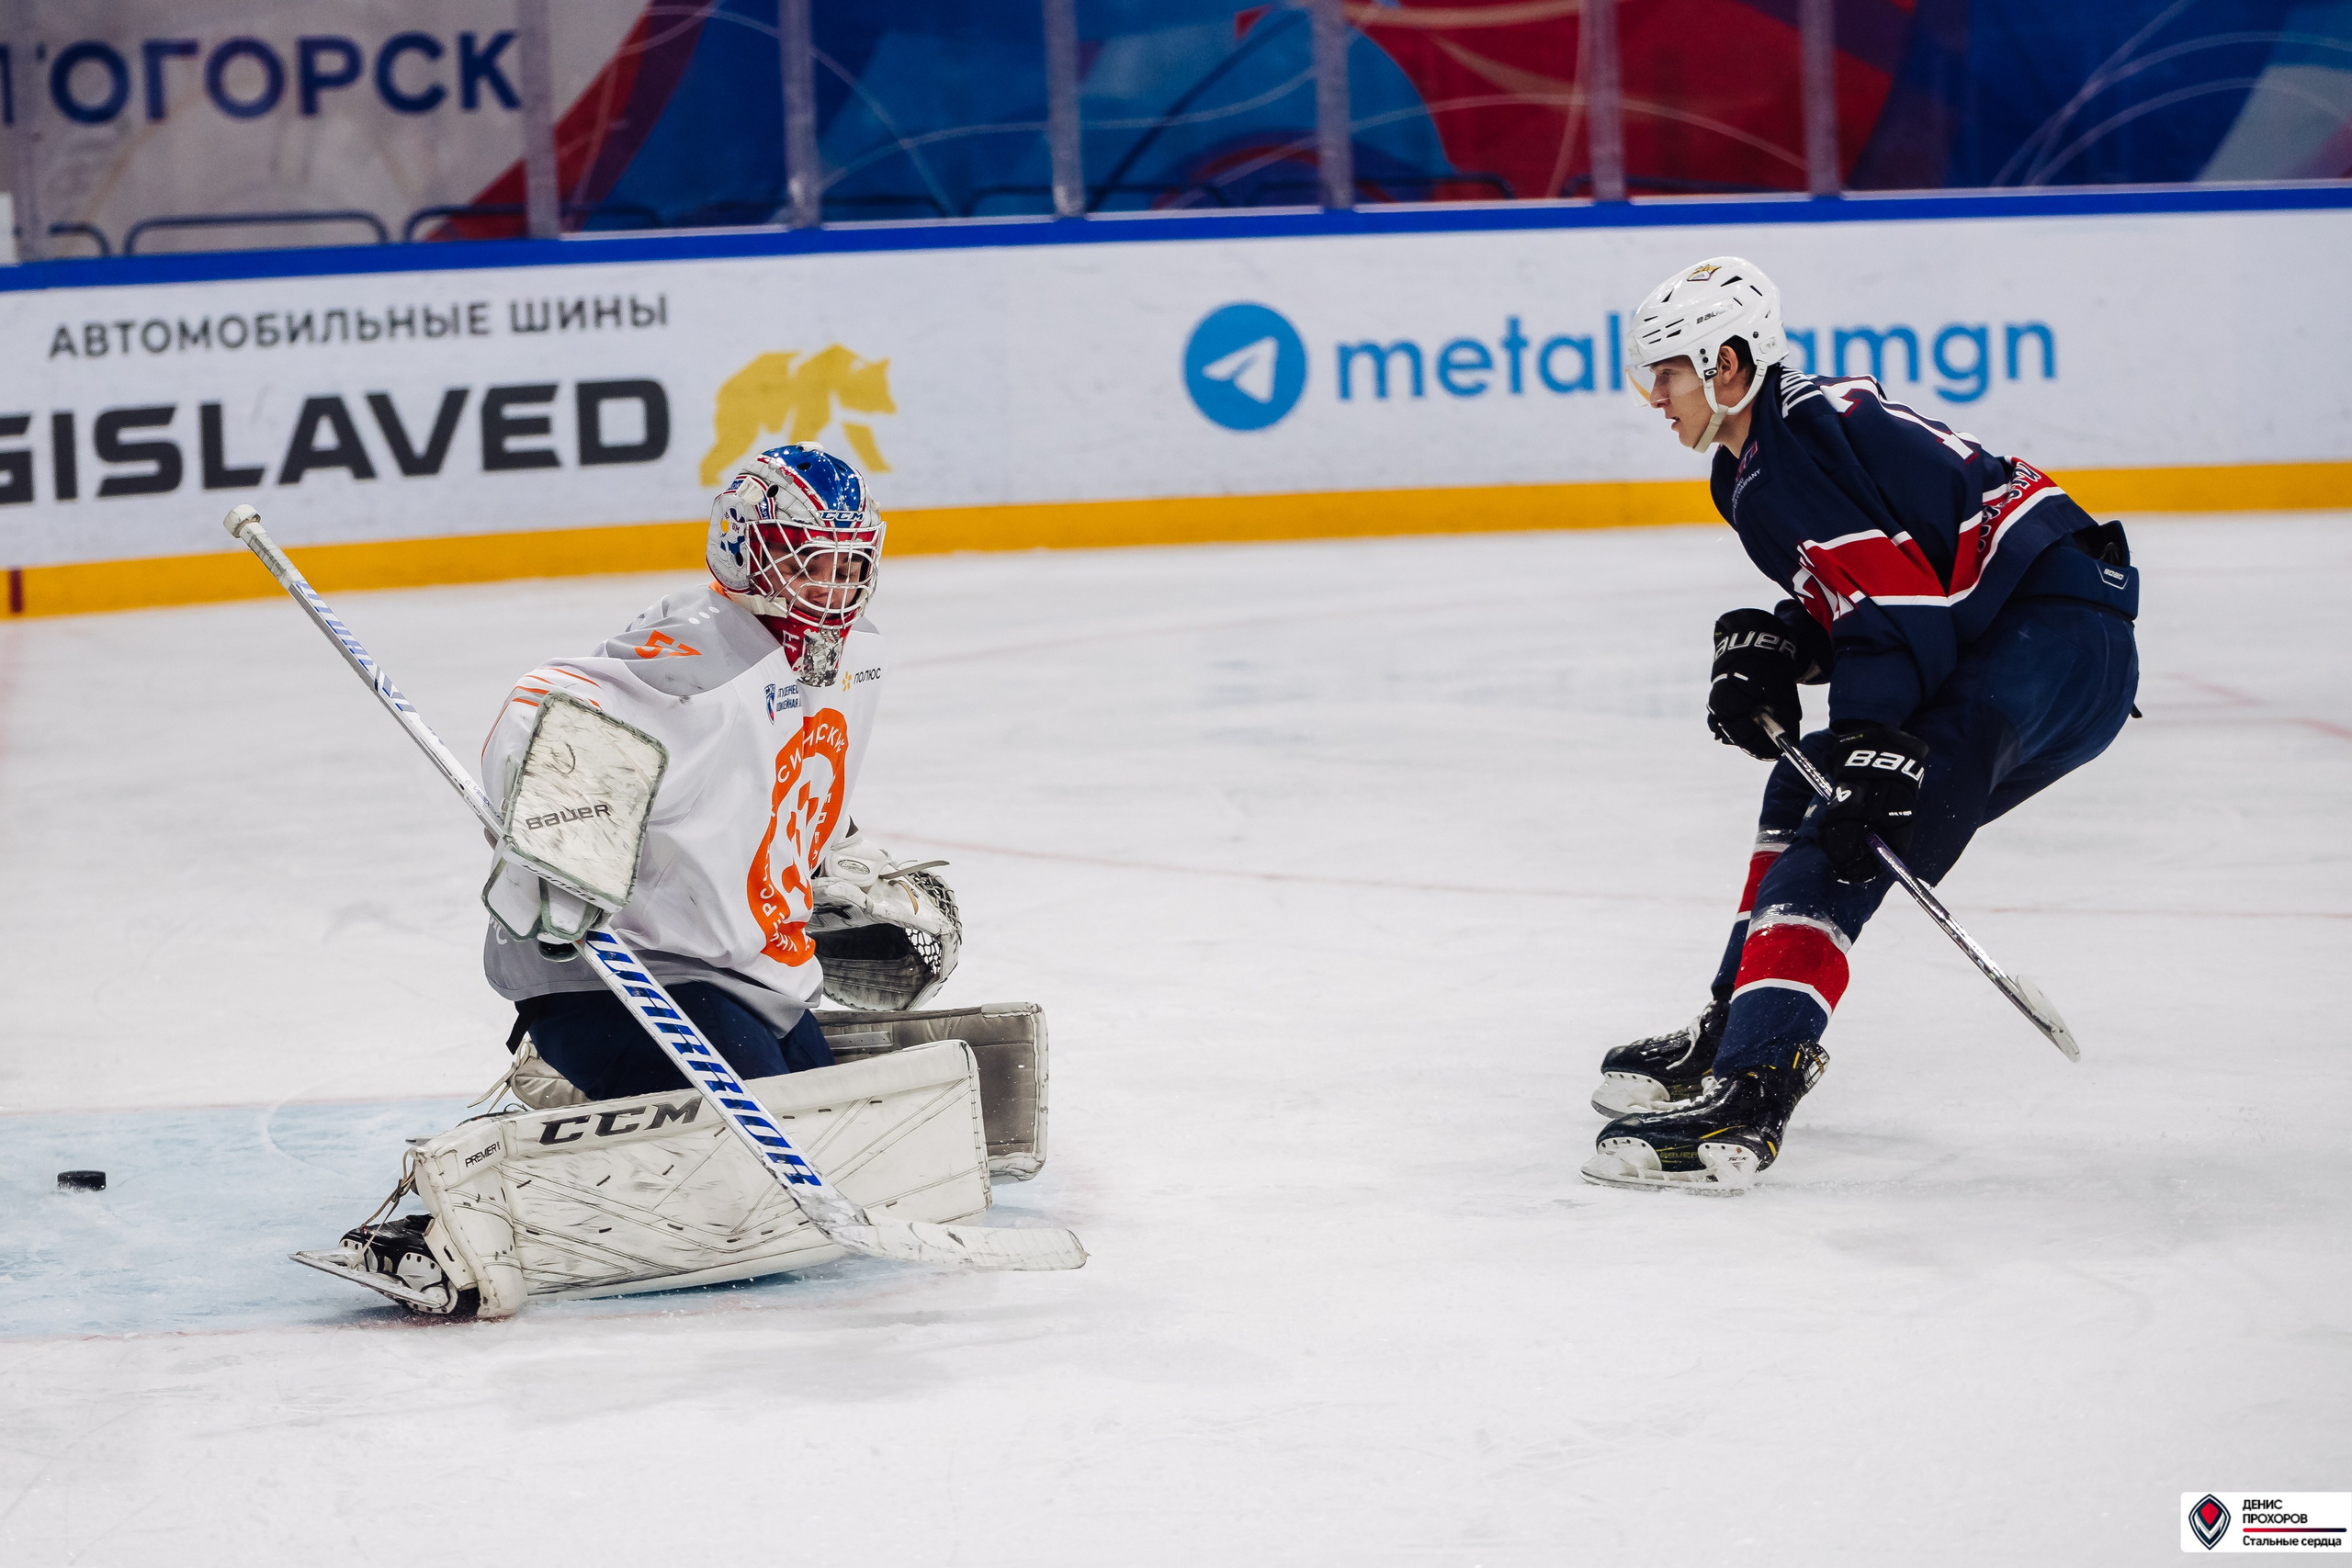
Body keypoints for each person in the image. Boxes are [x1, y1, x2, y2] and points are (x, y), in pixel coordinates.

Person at [1582, 257, 2140, 1193]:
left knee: (1848, 825)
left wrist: (1874, 747)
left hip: (2044, 644)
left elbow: (1893, 614)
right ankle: (1739, 1020)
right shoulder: (1769, 451)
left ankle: (1755, 1087)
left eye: (1668, 372)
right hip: (2052, 640)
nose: (1655, 396)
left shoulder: (1790, 449)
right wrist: (1783, 646)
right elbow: (1883, 589)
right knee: (1805, 784)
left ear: (1725, 365)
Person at [480, 442, 956, 1102]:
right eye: (807, 563)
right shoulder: (706, 649)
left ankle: (592, 1090)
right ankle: (568, 1079)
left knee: (830, 1125)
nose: (831, 589)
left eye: (850, 566)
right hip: (623, 975)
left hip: (750, 972)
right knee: (774, 1152)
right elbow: (544, 705)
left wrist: (830, 848)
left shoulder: (853, 655)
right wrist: (559, 831)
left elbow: (780, 776)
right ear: (743, 550)